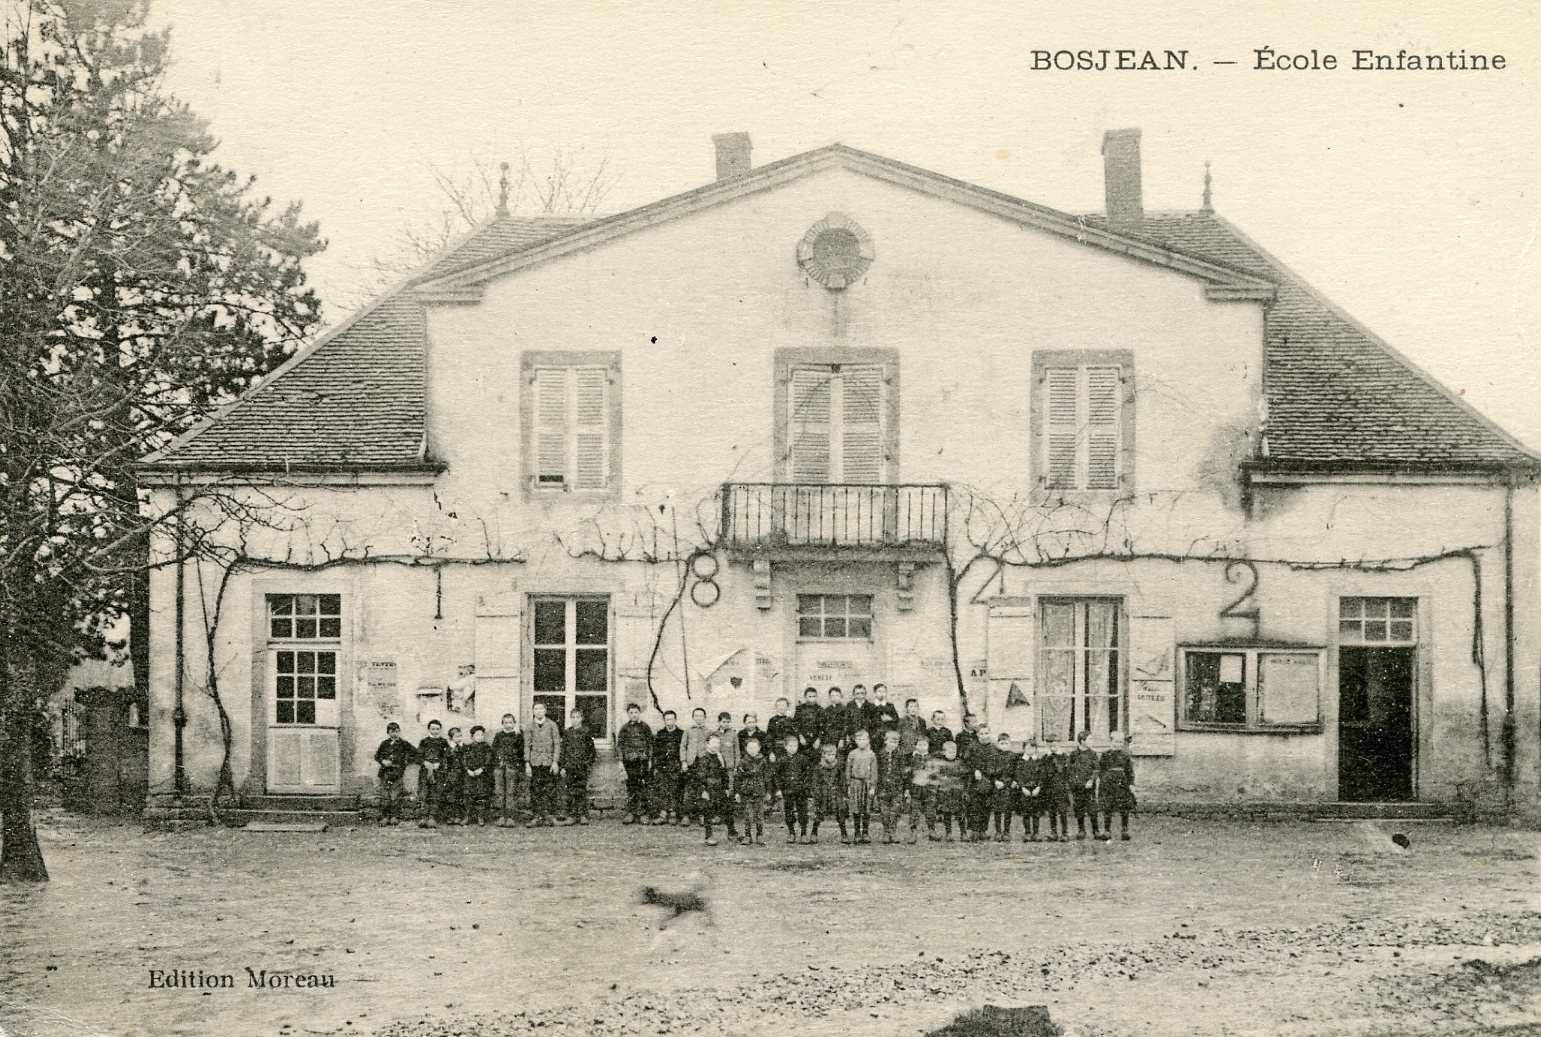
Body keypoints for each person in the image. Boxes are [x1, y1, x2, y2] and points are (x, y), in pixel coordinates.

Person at [524, 702, 561, 828]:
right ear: (533, 711)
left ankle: (550, 816)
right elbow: (526, 746)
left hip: (548, 762)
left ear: (545, 710)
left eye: (541, 709)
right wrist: (527, 764)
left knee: (550, 790)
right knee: (535, 790)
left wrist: (555, 762)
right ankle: (536, 816)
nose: (539, 711)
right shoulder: (529, 726)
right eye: (536, 709)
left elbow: (557, 744)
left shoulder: (552, 725)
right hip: (535, 762)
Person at [617, 703, 654, 825]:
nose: (634, 715)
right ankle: (631, 813)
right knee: (631, 787)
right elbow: (620, 746)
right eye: (631, 713)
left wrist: (649, 760)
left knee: (643, 787)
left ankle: (643, 813)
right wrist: (621, 762)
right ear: (628, 714)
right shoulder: (624, 729)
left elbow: (650, 745)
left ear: (639, 713)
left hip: (642, 762)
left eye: (636, 712)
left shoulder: (645, 727)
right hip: (630, 762)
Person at [696, 733, 736, 846]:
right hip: (709, 789)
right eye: (713, 742)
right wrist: (703, 790)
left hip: (720, 788)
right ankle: (709, 835)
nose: (716, 745)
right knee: (708, 812)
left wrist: (726, 787)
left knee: (728, 808)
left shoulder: (720, 757)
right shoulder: (704, 758)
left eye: (718, 743)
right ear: (707, 744)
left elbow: (724, 774)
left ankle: (732, 832)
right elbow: (700, 777)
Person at [558, 709, 597, 825]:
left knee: (581, 791)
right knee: (570, 791)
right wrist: (563, 767)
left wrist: (587, 764)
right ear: (570, 719)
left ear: (582, 718)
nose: (575, 719)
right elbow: (563, 751)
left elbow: (592, 751)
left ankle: (583, 814)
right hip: (570, 766)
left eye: (578, 717)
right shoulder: (567, 733)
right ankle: (572, 815)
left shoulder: (587, 732)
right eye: (573, 717)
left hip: (581, 767)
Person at [373, 722, 415, 826]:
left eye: (396, 731)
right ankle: (384, 817)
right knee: (385, 796)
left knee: (395, 796)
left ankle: (394, 816)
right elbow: (377, 756)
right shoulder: (384, 743)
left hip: (397, 773)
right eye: (392, 731)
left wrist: (405, 761)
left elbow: (415, 753)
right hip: (385, 773)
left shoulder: (404, 744)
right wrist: (383, 761)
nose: (394, 734)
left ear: (399, 731)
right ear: (388, 732)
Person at [774, 732, 812, 843]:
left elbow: (807, 774)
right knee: (789, 811)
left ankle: (804, 833)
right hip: (787, 790)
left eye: (795, 746)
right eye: (790, 746)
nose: (793, 748)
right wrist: (779, 789)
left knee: (802, 811)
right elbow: (777, 775)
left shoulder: (802, 759)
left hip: (800, 789)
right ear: (785, 746)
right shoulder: (781, 760)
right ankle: (791, 833)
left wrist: (805, 786)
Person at [734, 736, 771, 845]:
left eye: (755, 748)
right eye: (750, 748)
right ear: (746, 749)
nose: (752, 750)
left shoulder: (763, 761)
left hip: (759, 792)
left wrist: (768, 791)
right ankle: (747, 835)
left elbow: (767, 777)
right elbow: (738, 778)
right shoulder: (743, 761)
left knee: (759, 815)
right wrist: (737, 792)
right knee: (747, 815)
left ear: (759, 748)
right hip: (747, 792)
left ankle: (759, 835)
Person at [1098, 733, 1136, 841]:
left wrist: (1131, 783)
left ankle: (1124, 831)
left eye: (1120, 742)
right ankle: (1107, 831)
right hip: (1109, 784)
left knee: (1124, 807)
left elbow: (1129, 771)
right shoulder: (1106, 755)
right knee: (1108, 807)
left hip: (1122, 783)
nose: (1118, 744)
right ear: (1111, 742)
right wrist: (1105, 780)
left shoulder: (1125, 755)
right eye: (1116, 742)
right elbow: (1101, 770)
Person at [962, 720, 995, 842]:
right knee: (974, 806)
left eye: (987, 733)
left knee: (986, 806)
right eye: (982, 734)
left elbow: (995, 764)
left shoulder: (993, 748)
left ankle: (983, 831)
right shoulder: (972, 747)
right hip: (974, 781)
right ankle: (974, 831)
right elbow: (966, 762)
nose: (984, 736)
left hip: (988, 781)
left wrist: (990, 775)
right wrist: (974, 770)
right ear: (977, 735)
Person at [680, 707, 712, 826]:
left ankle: (702, 815)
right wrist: (683, 761)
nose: (699, 718)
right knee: (689, 789)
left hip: (703, 764)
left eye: (701, 716)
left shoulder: (708, 731)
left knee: (702, 789)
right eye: (696, 716)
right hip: (691, 764)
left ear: (705, 718)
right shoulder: (688, 731)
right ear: (693, 717)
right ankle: (686, 815)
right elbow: (683, 746)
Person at [845, 728, 878, 845]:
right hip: (855, 783)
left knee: (866, 808)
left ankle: (865, 832)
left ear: (868, 740)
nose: (862, 741)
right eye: (859, 739)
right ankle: (857, 833)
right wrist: (848, 785)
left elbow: (874, 772)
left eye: (864, 739)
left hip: (867, 784)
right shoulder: (852, 754)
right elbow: (848, 770)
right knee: (856, 809)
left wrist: (873, 786)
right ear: (855, 741)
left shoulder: (871, 754)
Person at [492, 713, 526, 827]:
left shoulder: (518, 736)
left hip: (512, 767)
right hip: (500, 767)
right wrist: (498, 762)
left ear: (514, 723)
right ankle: (501, 816)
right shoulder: (498, 736)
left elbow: (521, 753)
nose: (508, 725)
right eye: (505, 722)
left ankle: (510, 817)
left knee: (511, 792)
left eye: (510, 722)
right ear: (502, 724)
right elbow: (494, 751)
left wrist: (516, 764)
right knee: (499, 792)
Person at [650, 710, 684, 825]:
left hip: (676, 766)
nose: (669, 722)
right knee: (663, 789)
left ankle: (673, 814)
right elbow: (656, 751)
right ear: (664, 721)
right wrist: (656, 766)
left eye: (671, 719)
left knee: (675, 789)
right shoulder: (660, 734)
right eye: (667, 719)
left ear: (675, 720)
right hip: (663, 766)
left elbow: (683, 750)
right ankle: (663, 814)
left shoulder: (681, 734)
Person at [874, 728, 907, 844]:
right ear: (885, 741)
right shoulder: (880, 754)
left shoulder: (901, 754)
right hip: (883, 786)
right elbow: (877, 771)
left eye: (896, 742)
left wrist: (905, 786)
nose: (894, 744)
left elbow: (903, 771)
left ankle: (893, 831)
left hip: (896, 786)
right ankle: (886, 831)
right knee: (884, 810)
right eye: (891, 741)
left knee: (895, 809)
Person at [416, 719, 451, 828]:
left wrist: (439, 763)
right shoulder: (424, 742)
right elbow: (418, 756)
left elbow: (447, 756)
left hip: (438, 772)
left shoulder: (443, 742)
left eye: (437, 729)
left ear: (440, 730)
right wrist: (424, 762)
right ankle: (423, 817)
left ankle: (432, 817)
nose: (435, 731)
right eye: (433, 729)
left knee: (435, 793)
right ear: (429, 729)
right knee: (423, 793)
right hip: (425, 772)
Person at [811, 742, 848, 844]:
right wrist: (817, 793)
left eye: (832, 755)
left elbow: (842, 781)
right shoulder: (818, 767)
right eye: (828, 754)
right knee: (819, 814)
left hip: (836, 793)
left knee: (840, 813)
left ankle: (844, 834)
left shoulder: (838, 766)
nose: (830, 757)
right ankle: (814, 833)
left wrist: (843, 793)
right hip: (823, 793)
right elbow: (815, 782)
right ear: (823, 755)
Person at [1068, 729, 1101, 840]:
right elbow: (1070, 771)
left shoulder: (1093, 754)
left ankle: (1095, 830)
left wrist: (1091, 780)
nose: (1092, 741)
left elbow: (1096, 769)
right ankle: (1081, 830)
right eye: (1089, 739)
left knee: (1092, 809)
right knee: (1079, 809)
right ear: (1082, 741)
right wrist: (1074, 783)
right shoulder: (1073, 755)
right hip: (1078, 787)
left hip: (1089, 787)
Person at [461, 725, 495, 826]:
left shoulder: (486, 747)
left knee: (481, 795)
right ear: (472, 736)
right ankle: (467, 816)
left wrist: (482, 769)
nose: (480, 736)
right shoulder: (467, 747)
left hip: (481, 774)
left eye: (481, 735)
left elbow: (488, 760)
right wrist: (468, 770)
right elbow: (464, 760)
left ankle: (480, 817)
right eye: (477, 735)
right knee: (468, 795)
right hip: (470, 774)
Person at [932, 740, 966, 840]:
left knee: (960, 813)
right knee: (947, 813)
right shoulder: (941, 764)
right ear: (944, 752)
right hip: (946, 792)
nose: (952, 754)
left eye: (954, 752)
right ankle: (949, 833)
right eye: (949, 752)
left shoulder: (959, 763)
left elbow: (963, 775)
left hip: (957, 792)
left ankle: (963, 833)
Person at [1041, 735, 1071, 842]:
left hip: (1061, 788)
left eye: (1055, 743)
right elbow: (1042, 773)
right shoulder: (1045, 758)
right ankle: (1053, 832)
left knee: (1062, 811)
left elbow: (1068, 773)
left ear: (1059, 744)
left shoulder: (1064, 757)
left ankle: (1064, 833)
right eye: (1050, 743)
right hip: (1049, 789)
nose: (1053, 746)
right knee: (1051, 812)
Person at [989, 731, 1017, 842]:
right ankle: (998, 831)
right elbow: (991, 771)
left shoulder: (1013, 756)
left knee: (1008, 810)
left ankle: (1006, 831)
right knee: (997, 810)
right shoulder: (995, 757)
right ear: (998, 744)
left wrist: (1014, 781)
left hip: (1008, 787)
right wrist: (995, 781)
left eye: (1006, 743)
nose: (1004, 746)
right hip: (998, 786)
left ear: (1010, 744)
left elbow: (1016, 771)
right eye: (1002, 743)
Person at [907, 735, 936, 842]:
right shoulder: (912, 759)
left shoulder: (932, 758)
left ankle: (932, 830)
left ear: (928, 746)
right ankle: (913, 832)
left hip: (928, 789)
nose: (922, 747)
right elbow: (909, 775)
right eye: (919, 744)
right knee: (914, 810)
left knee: (930, 810)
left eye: (924, 744)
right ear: (915, 746)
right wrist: (908, 788)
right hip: (916, 789)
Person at [1016, 739, 1045, 842]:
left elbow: (1042, 776)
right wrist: (1023, 788)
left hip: (1036, 790)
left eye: (1033, 748)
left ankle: (1036, 833)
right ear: (1024, 749)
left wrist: (1038, 788)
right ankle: (1027, 833)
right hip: (1025, 791)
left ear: (1036, 749)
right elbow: (1018, 776)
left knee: (1036, 813)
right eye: (1028, 748)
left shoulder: (1039, 761)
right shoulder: (1021, 762)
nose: (1031, 750)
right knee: (1026, 813)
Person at [442, 726, 466, 825]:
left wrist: (460, 747)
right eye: (456, 736)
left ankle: (458, 816)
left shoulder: (463, 747)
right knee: (449, 796)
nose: (459, 738)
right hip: (450, 775)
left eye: (460, 736)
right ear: (451, 738)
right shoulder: (448, 748)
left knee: (459, 795)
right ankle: (450, 816)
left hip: (460, 774)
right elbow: (445, 760)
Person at [821, 688, 851, 759]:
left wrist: (842, 739)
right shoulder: (826, 710)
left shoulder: (845, 709)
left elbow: (846, 725)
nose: (835, 698)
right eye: (832, 696)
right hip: (829, 738)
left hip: (840, 738)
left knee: (840, 758)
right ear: (829, 697)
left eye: (837, 695)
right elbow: (824, 726)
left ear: (841, 696)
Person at [765, 698, 797, 762]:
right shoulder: (772, 720)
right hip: (777, 749)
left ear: (787, 707)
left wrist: (789, 719)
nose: (780, 707)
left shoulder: (791, 720)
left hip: (789, 749)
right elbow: (769, 738)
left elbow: (796, 734)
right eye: (778, 705)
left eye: (783, 705)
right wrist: (770, 752)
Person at [793, 686, 825, 751]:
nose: (812, 698)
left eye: (814, 696)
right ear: (805, 697)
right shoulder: (800, 709)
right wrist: (800, 736)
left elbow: (823, 726)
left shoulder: (820, 709)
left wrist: (819, 740)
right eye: (810, 696)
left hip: (816, 740)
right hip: (802, 740)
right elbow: (795, 724)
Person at [714, 711, 741, 775]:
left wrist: (736, 767)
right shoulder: (715, 734)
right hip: (718, 765)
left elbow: (737, 751)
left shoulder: (733, 734)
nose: (726, 724)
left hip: (730, 766)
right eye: (723, 722)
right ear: (719, 722)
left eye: (728, 722)